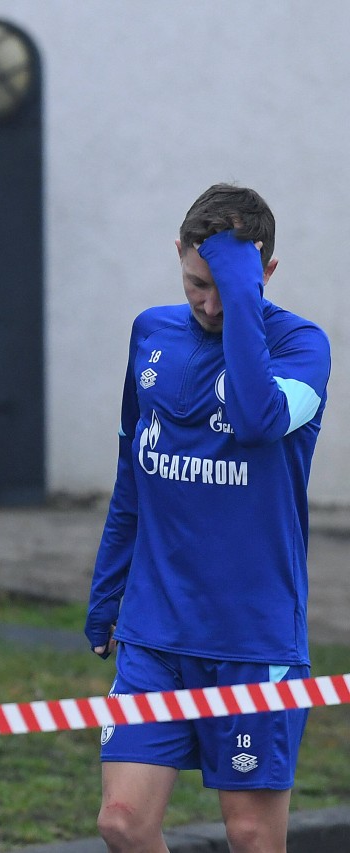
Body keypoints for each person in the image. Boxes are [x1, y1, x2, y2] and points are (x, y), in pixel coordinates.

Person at [86, 184, 330, 852]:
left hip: (252, 642)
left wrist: (241, 294)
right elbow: (132, 477)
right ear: (178, 256)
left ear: (265, 275)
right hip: (155, 633)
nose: (211, 303)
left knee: (252, 834)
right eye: (197, 282)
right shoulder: (151, 333)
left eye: (228, 287)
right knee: (122, 822)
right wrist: (108, 592)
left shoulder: (303, 347)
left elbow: (256, 420)